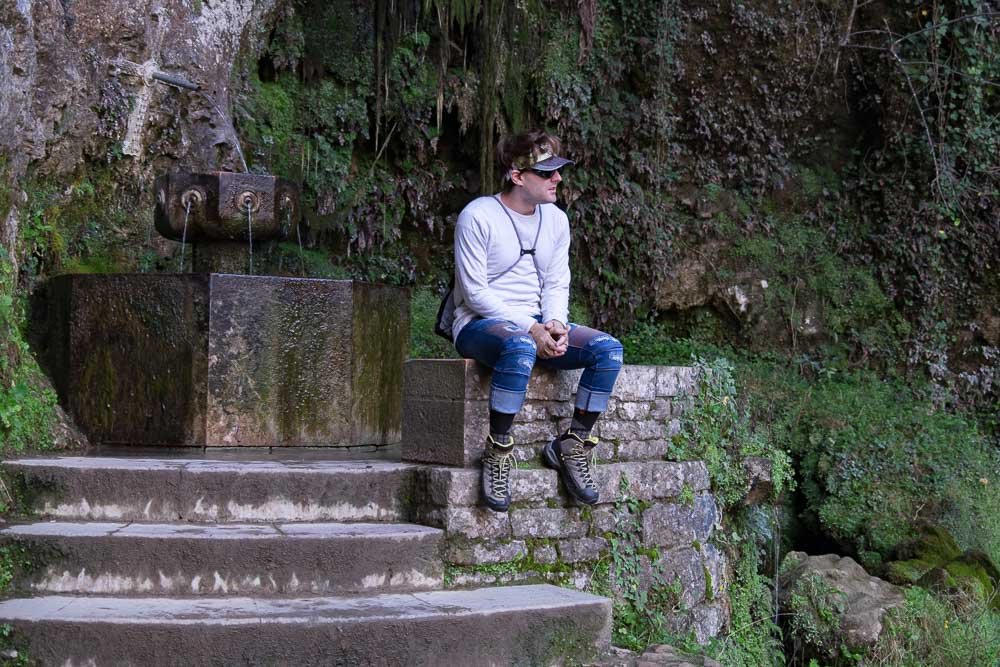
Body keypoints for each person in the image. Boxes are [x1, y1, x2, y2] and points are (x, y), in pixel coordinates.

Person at [451, 129, 624, 512]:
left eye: (558, 170)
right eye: (547, 172)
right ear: (516, 175)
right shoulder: (478, 216)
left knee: (607, 350)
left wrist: (556, 322)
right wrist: (531, 328)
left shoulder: (556, 220)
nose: (557, 179)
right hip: (480, 322)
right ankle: (497, 450)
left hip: (537, 322)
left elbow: (557, 280)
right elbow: (475, 293)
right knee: (519, 344)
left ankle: (573, 444)